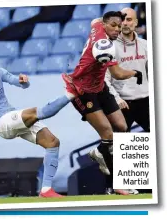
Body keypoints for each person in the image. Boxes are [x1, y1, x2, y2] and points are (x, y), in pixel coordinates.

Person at [0, 48, 71, 198]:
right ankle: (71, 93)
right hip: (0, 124)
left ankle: (45, 190)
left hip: (12, 116)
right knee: (34, 113)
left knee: (52, 142)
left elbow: (19, 83)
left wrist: (24, 81)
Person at [60, 11, 143, 195]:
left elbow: (94, 21)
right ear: (105, 25)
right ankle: (117, 184)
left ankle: (100, 151)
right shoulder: (105, 46)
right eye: (113, 25)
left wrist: (101, 22)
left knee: (122, 126)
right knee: (108, 133)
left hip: (100, 87)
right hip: (83, 91)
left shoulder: (98, 25)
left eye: (119, 26)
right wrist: (136, 73)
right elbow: (118, 74)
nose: (117, 30)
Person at [104, 7, 149, 195]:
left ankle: (150, 185)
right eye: (122, 19)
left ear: (136, 23)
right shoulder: (110, 47)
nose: (125, 23)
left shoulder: (147, 45)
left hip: (145, 99)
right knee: (114, 145)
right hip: (123, 102)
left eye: (129, 19)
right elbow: (105, 78)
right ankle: (112, 187)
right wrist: (116, 98)